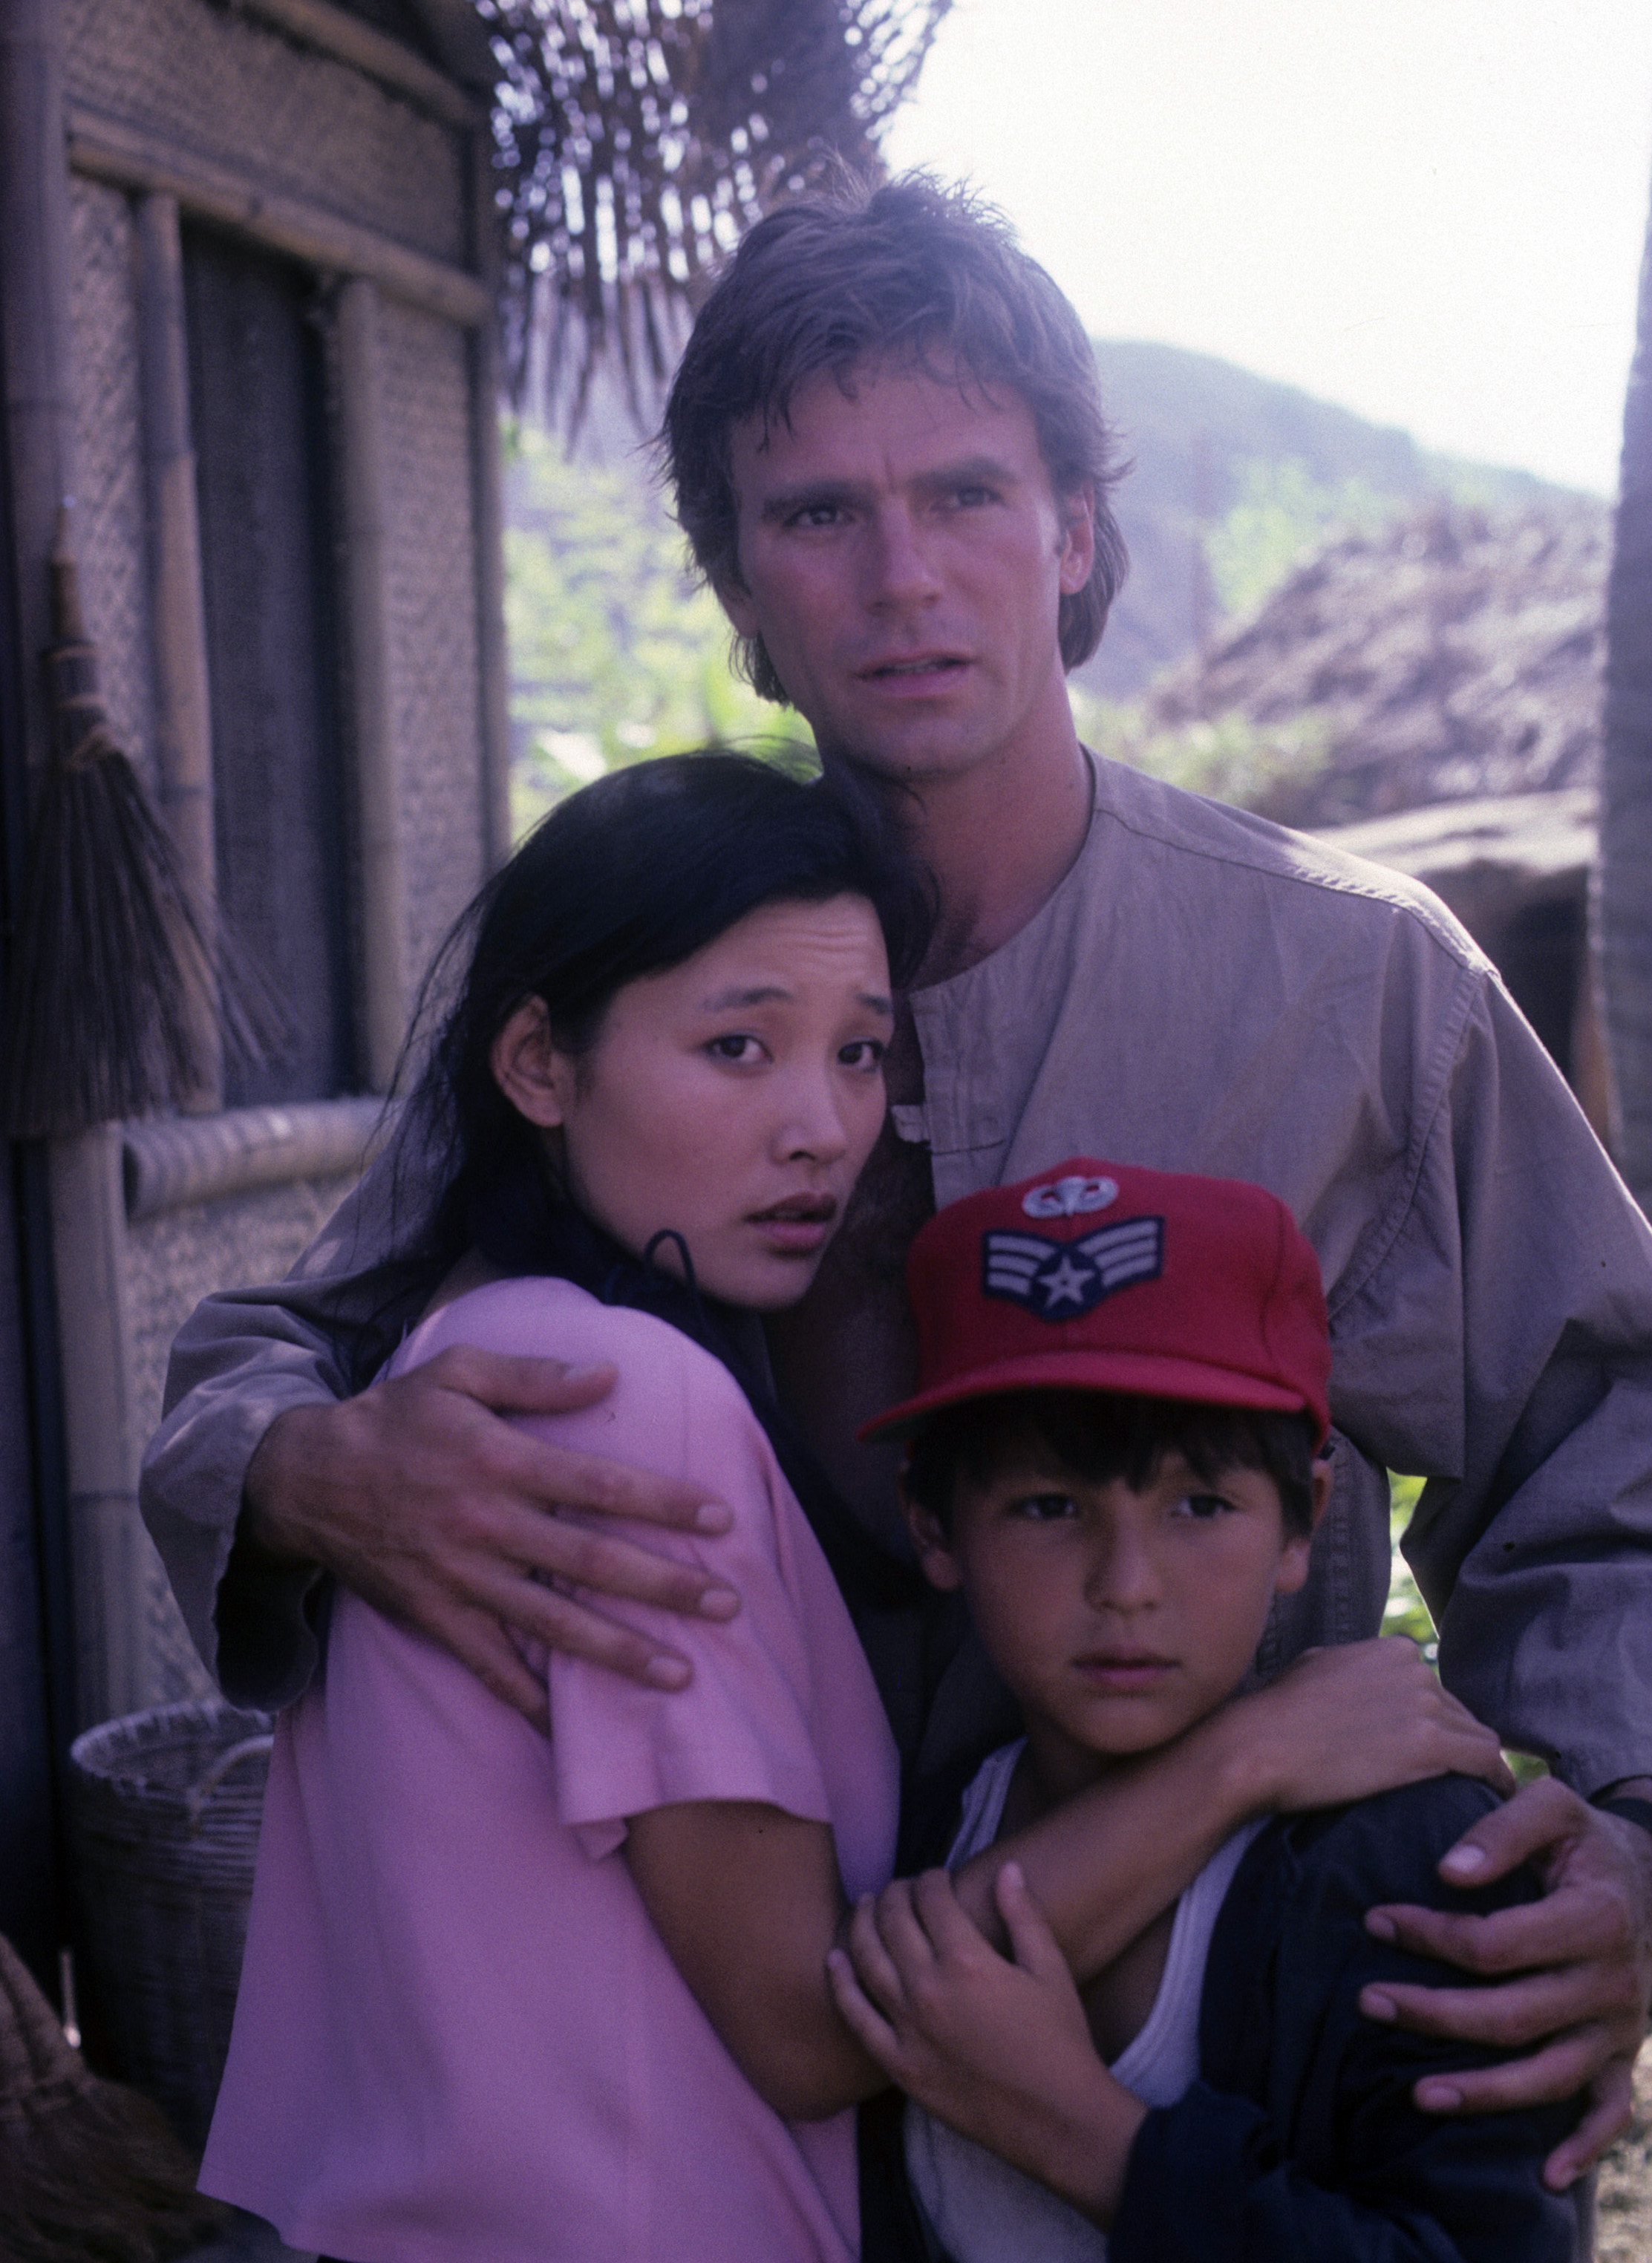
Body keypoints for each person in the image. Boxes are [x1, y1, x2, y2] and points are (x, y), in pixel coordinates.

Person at [141, 175, 1652, 2184]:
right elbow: (279, 1343)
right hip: (726, 2072)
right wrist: (310, 1469)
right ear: (739, 588)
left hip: (1215, 2046)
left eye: (961, 495)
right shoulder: (638, 972)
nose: (902, 576)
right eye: (816, 517)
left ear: (1075, 534)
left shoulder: (1350, 983)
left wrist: (1629, 1840)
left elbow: (1594, 1430)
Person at [196, 765, 1495, 2263]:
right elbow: (815, 2028)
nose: (824, 1127)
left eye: (861, 1053)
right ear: (540, 1064)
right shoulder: (615, 1400)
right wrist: (1255, 1754)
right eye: (739, 1045)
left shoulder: (455, 1363)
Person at [831, 1157, 1580, 2262]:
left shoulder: (1404, 1870)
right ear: (933, 1525)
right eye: (1047, 1504)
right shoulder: (925, 1838)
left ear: (1301, 1521)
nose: (1125, 1583)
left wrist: (1084, 2137)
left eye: (1199, 1503)